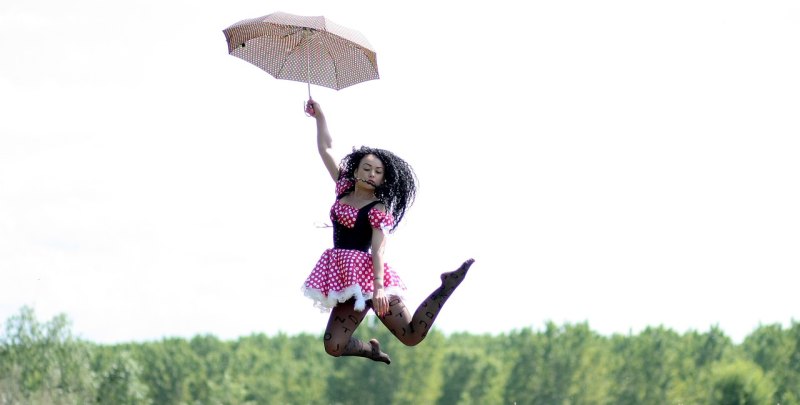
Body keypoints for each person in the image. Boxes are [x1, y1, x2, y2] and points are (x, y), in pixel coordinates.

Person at [300, 99, 474, 365]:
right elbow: (326, 148)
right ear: (356, 169)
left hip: (370, 279)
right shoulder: (343, 188)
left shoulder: (378, 207)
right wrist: (320, 116)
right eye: (367, 168)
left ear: (383, 179)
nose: (371, 174)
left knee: (412, 336)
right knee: (334, 345)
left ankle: (447, 285)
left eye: (378, 172)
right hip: (343, 278)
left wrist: (379, 288)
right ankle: (370, 351)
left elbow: (379, 247)